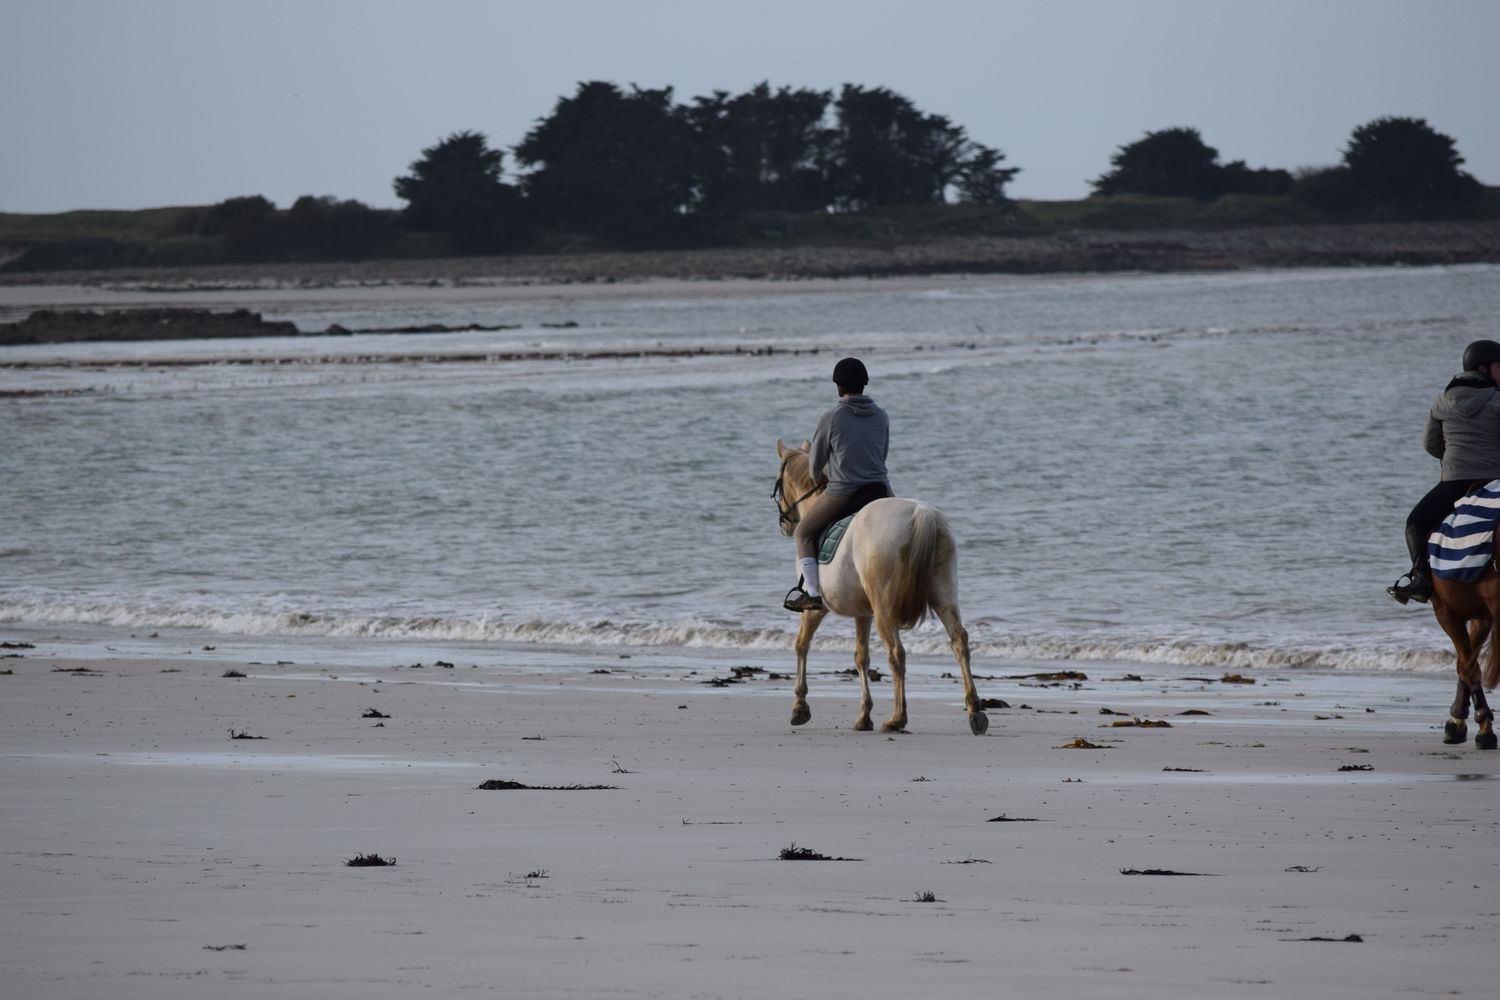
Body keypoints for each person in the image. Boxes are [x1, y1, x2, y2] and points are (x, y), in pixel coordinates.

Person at [1389, 339, 1500, 604]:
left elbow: (1431, 444)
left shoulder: (1442, 402)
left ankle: (1421, 580)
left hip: (1455, 483)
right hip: (1496, 482)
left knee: (1416, 522)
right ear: (1483, 368)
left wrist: (1455, 460)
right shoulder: (1497, 400)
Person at [783, 357, 893, 613]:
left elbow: (814, 467)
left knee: (803, 533)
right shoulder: (882, 415)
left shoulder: (830, 418)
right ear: (865, 384)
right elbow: (882, 455)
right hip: (881, 489)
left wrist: (823, 475)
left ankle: (811, 594)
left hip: (844, 493)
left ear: (838, 386)